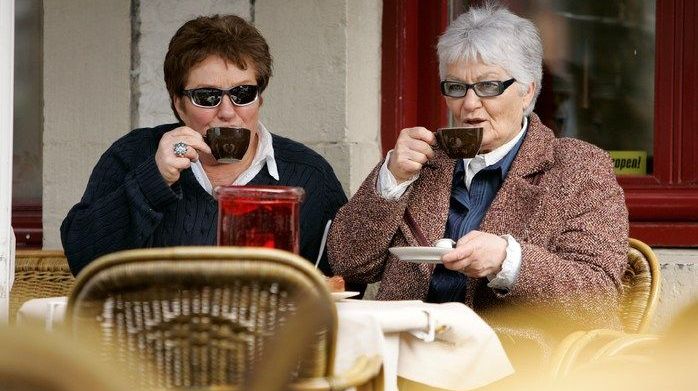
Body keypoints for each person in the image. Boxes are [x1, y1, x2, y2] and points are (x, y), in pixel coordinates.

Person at [327, 4, 628, 335]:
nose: (468, 105)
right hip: (402, 353)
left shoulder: (577, 168)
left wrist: (509, 261)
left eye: (488, 86)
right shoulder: (423, 160)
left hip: (508, 369)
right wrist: (391, 180)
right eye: (456, 87)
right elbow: (347, 263)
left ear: (527, 90)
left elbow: (600, 302)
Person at [61, 15, 346, 275]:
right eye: (207, 97)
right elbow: (81, 258)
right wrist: (154, 180)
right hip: (151, 329)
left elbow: (344, 280)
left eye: (243, 93)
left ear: (260, 98)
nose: (226, 111)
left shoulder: (309, 174)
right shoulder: (133, 155)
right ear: (179, 105)